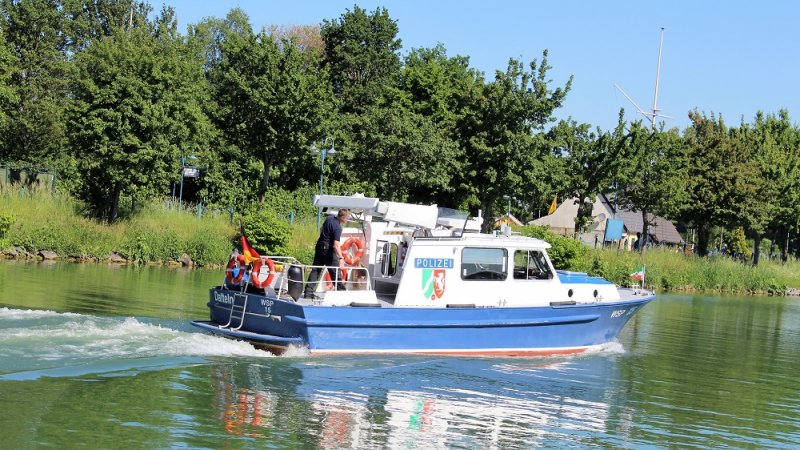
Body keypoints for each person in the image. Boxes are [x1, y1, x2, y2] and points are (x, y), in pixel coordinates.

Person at [304, 208, 350, 297]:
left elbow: (321, 228)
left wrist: (323, 238)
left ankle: (308, 292)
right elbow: (336, 245)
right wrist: (341, 258)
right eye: (347, 218)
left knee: (316, 269)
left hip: (319, 245)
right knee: (335, 271)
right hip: (328, 250)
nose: (348, 220)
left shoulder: (329, 218)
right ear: (343, 217)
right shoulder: (337, 228)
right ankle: (342, 293)